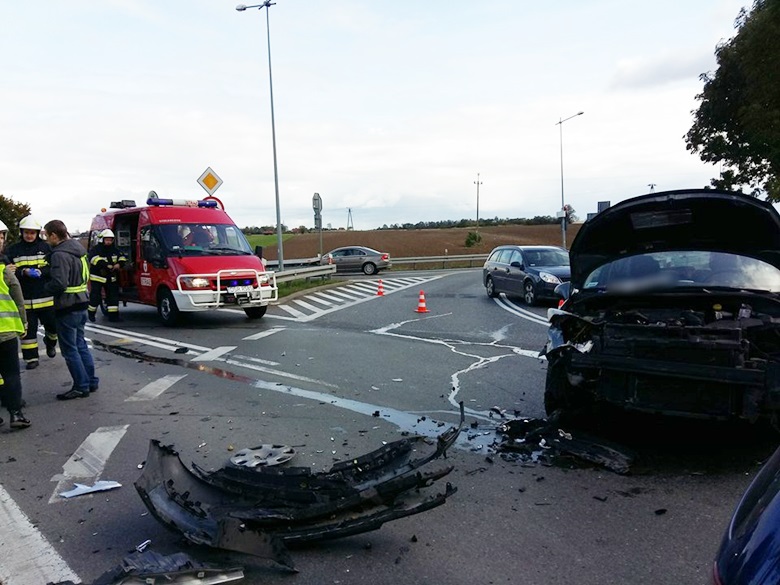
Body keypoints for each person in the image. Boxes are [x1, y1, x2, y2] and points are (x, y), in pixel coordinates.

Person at [42, 220, 99, 400]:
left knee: (69, 350)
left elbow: (59, 283)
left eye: (46, 235)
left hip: (67, 306)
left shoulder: (59, 254)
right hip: (82, 302)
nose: (45, 238)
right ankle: (91, 381)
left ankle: (81, 387)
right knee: (81, 344)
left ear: (53, 235)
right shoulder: (79, 250)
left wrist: (45, 287)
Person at [6, 216, 58, 370]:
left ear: (37, 233)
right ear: (21, 232)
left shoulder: (47, 248)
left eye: (32, 233)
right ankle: (31, 359)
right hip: (25, 299)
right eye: (26, 232)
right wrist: (24, 272)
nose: (29, 235)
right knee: (29, 332)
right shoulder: (13, 250)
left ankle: (50, 343)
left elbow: (53, 268)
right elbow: (9, 272)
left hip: (46, 298)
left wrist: (41, 271)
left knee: (53, 327)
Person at [0, 220, 31, 428]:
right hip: (6, 331)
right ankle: (16, 413)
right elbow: (18, 298)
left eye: (2, 236)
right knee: (11, 373)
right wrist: (24, 324)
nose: (1, 241)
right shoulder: (4, 270)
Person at [87, 229, 126, 322]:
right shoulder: (96, 249)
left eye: (110, 240)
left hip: (111, 277)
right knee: (95, 297)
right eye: (107, 240)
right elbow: (93, 259)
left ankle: (113, 317)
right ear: (102, 240)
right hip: (98, 277)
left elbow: (122, 257)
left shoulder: (115, 250)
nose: (109, 242)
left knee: (113, 297)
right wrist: (106, 265)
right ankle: (91, 314)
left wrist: (119, 264)